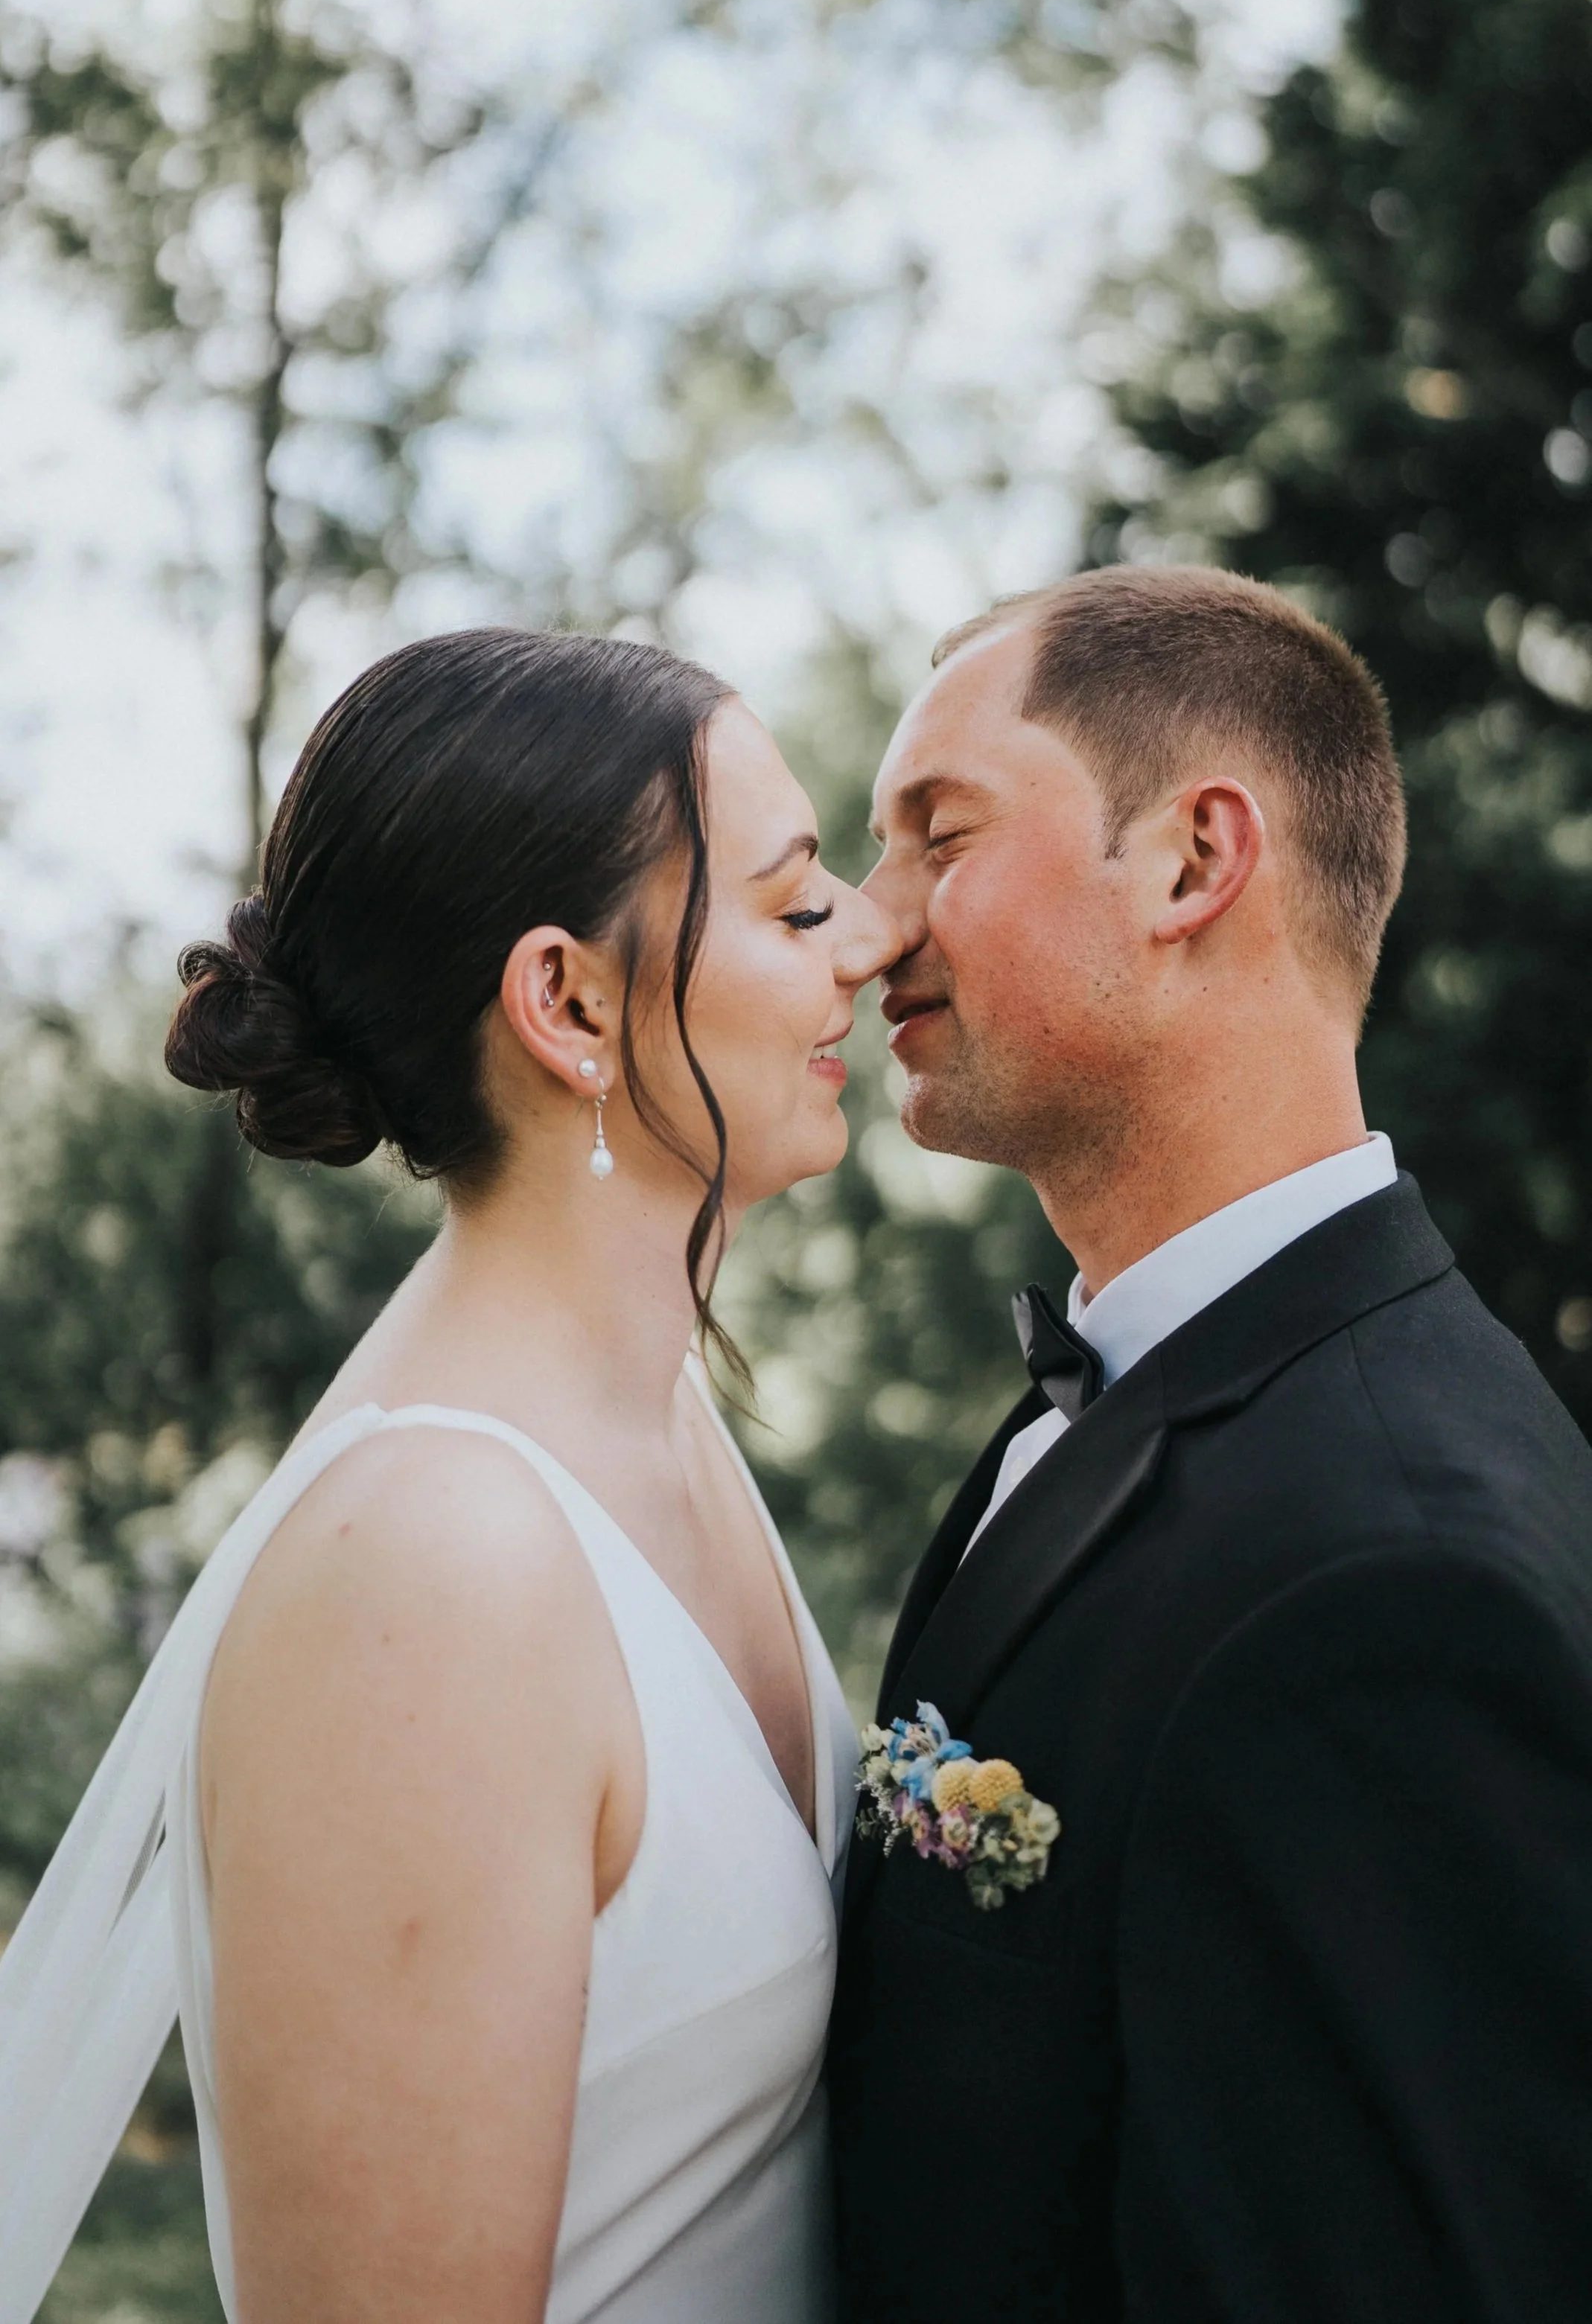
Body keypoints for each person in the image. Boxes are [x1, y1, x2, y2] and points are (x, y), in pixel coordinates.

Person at [0, 628, 896, 2324]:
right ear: (566, 1002)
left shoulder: (664, 1426)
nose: (869, 932)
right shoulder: (431, 1570)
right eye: (792, 907)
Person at [830, 564, 1592, 2321]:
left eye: (935, 835)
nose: (867, 927)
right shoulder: (1162, 1388)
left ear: (1191, 861)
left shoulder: (1393, 1577)